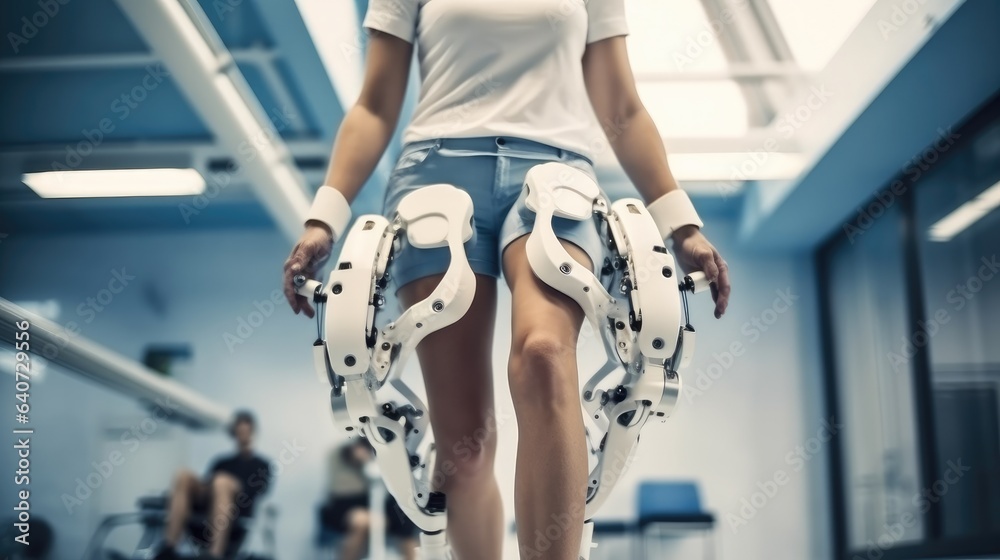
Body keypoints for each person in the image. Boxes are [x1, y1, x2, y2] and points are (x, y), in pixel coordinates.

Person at [282, 2, 733, 558]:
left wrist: (682, 226)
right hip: (435, 171)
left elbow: (622, 107)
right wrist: (323, 218)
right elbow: (375, 106)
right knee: (465, 446)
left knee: (545, 354)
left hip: (558, 172)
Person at [155, 411, 272, 560]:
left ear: (252, 432)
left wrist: (228, 485)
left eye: (246, 430)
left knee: (221, 481)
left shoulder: (262, 465)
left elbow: (256, 493)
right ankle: (169, 547)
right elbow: (206, 488)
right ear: (234, 433)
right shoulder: (221, 462)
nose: (242, 434)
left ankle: (215, 553)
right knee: (183, 475)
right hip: (207, 512)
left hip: (236, 514)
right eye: (239, 431)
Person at [320, 438, 418, 560]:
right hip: (345, 503)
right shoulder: (340, 453)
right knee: (362, 522)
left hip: (378, 501)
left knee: (406, 518)